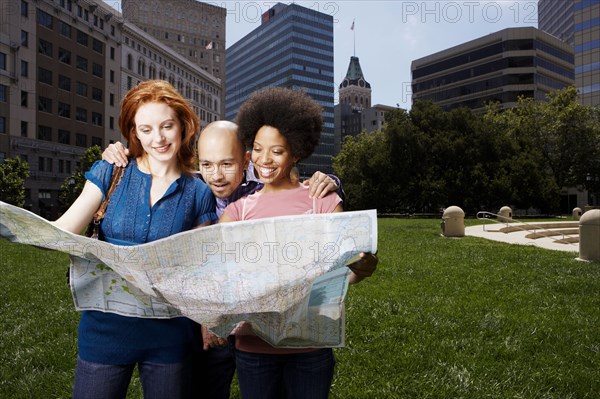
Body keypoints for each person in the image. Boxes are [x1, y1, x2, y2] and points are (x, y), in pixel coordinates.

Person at [101, 120, 349, 399]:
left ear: (246, 162)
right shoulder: (190, 191)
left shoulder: (263, 186)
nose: (216, 176)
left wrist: (331, 180)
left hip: (262, 326)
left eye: (227, 164)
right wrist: (115, 155)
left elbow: (298, 195)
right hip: (210, 322)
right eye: (207, 165)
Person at [53, 80, 217, 399]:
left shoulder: (198, 192)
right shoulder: (110, 171)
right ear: (134, 133)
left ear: (183, 126)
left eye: (167, 126)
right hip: (104, 331)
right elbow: (63, 231)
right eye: (146, 129)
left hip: (171, 336)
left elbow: (204, 270)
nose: (158, 138)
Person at [219, 87, 377, 399]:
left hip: (309, 349)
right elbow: (221, 273)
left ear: (296, 152)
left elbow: (344, 272)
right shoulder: (237, 209)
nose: (264, 160)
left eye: (276, 151)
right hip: (254, 349)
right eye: (258, 149)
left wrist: (363, 268)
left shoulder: (323, 200)